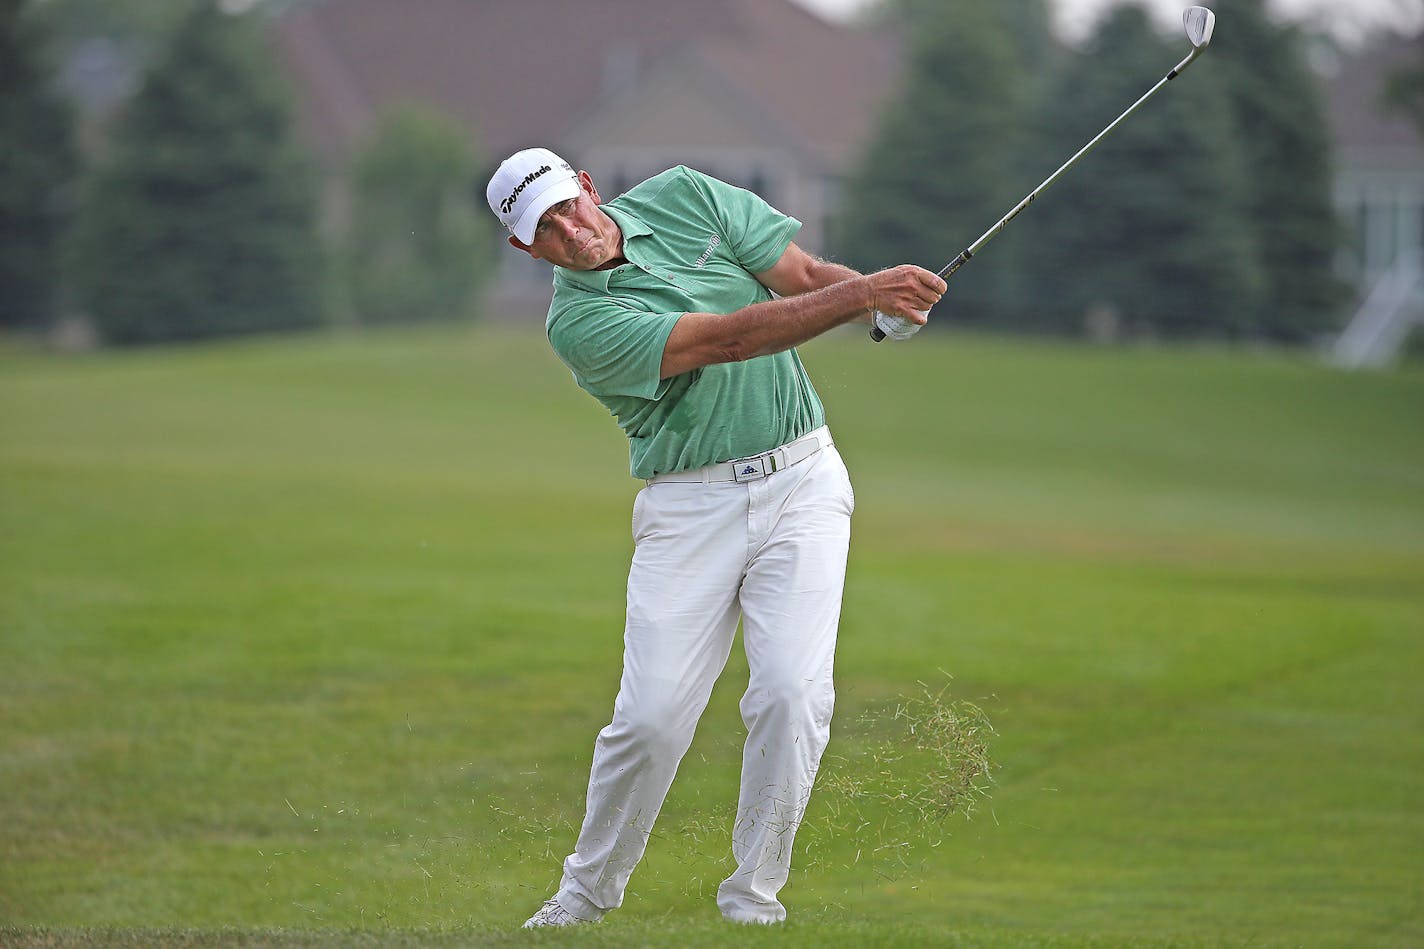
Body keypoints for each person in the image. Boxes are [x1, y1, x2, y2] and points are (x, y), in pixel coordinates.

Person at [485, 147, 945, 927]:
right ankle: (586, 891)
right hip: (689, 508)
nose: (571, 230)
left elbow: (798, 276)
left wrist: (874, 306)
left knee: (794, 695)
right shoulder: (579, 323)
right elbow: (728, 339)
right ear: (527, 249)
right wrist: (867, 291)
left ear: (590, 188)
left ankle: (753, 897)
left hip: (803, 479)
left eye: (570, 207)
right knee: (652, 717)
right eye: (548, 230)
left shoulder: (688, 195)